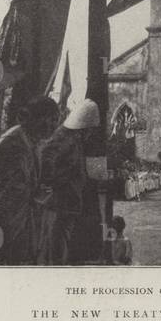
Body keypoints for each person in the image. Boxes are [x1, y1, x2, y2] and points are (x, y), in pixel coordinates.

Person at [0, 96, 59, 265]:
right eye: (49, 120)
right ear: (33, 119)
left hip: (10, 223)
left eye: (55, 121)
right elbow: (9, 201)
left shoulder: (28, 141)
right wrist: (37, 198)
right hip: (2, 226)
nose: (53, 127)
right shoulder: (14, 146)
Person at [37, 99, 99, 265]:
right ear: (82, 128)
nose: (90, 134)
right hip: (59, 203)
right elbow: (46, 166)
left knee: (61, 243)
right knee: (55, 245)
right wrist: (59, 182)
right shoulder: (63, 139)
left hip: (69, 202)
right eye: (89, 130)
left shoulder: (74, 140)